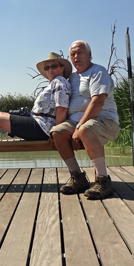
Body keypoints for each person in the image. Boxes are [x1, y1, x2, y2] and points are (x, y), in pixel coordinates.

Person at [50, 40, 120, 200]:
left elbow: (97, 102)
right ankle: (78, 178)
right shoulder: (71, 77)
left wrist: (79, 126)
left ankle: (103, 180)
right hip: (78, 123)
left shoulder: (98, 72)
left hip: (104, 121)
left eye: (79, 52)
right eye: (72, 54)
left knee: (85, 130)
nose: (76, 56)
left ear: (89, 54)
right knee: (57, 132)